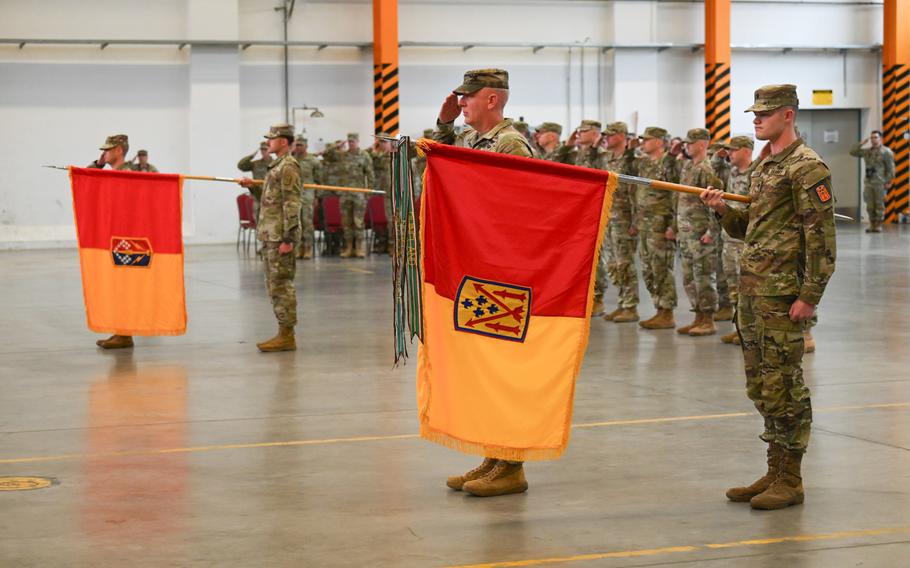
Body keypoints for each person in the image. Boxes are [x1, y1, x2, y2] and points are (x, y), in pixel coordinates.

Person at [701, 84, 836, 510]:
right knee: (760, 386)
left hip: (782, 297)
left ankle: (791, 479)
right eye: (754, 113)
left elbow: (822, 241)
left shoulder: (807, 167)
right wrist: (723, 211)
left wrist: (809, 297)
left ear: (789, 115)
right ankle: (774, 469)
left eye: (766, 113)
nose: (756, 120)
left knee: (786, 386)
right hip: (753, 292)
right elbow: (751, 230)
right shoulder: (763, 167)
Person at [433, 68, 534, 498]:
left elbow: (523, 204)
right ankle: (495, 457)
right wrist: (444, 125)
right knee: (487, 369)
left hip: (505, 269)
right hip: (482, 264)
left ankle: (512, 465)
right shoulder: (476, 140)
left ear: (491, 100)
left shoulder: (511, 143)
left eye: (467, 98)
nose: (462, 104)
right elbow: (435, 162)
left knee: (505, 369)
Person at [239, 124, 303, 352]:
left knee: (282, 285)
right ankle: (283, 331)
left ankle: (287, 335)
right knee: (274, 286)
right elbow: (271, 201)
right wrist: (252, 188)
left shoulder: (288, 167)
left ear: (283, 142)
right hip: (270, 233)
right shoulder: (275, 166)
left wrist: (288, 238)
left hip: (279, 237)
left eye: (272, 139)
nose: (269, 142)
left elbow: (292, 203)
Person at [89, 134, 138, 350]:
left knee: (124, 287)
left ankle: (125, 334)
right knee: (118, 287)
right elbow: (87, 179)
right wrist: (98, 165)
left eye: (107, 150)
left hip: (126, 238)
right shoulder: (113, 172)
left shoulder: (128, 174)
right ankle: (121, 332)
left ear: (119, 150)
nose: (104, 154)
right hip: (115, 236)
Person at [675, 128, 725, 337]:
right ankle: (698, 316)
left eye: (691, 143)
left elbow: (717, 203)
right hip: (687, 233)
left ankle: (708, 319)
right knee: (689, 278)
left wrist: (711, 232)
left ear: (702, 144)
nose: (687, 146)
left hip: (701, 234)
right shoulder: (688, 165)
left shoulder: (706, 169)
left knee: (703, 276)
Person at [632, 127, 683, 330]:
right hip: (645, 224)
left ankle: (667, 312)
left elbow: (675, 195)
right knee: (648, 269)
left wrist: (673, 225)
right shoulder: (644, 163)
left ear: (659, 142)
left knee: (662, 268)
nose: (643, 142)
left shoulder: (670, 164)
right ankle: (658, 308)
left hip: (661, 225)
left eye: (647, 139)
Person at [712, 136, 756, 344]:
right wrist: (719, 157)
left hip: (745, 239)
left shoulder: (756, 173)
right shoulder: (732, 172)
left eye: (734, 150)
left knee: (747, 287)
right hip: (729, 237)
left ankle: (751, 330)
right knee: (733, 286)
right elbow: (715, 170)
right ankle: (740, 328)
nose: (730, 154)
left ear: (747, 151)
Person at [600, 122, 640, 323]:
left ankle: (631, 306)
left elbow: (635, 193)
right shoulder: (607, 158)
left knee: (625, 263)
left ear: (622, 136)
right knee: (614, 264)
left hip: (624, 218)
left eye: (610, 135)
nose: (606, 138)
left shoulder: (630, 160)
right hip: (609, 217)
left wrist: (635, 220)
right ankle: (622, 301)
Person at [337, 133, 374, 258]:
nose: (351, 144)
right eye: (349, 141)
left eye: (353, 141)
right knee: (346, 222)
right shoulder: (343, 156)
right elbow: (328, 155)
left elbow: (370, 174)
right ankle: (348, 248)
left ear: (358, 141)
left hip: (359, 194)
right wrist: (337, 145)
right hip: (345, 194)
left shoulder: (364, 156)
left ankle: (359, 248)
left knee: (358, 222)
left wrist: (368, 191)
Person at [849, 130, 895, 233]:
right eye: (872, 137)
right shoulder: (867, 151)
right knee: (869, 204)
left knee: (879, 204)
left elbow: (890, 168)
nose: (873, 139)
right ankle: (872, 223)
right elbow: (853, 152)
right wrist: (861, 143)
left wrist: (889, 181)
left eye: (876, 137)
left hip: (880, 182)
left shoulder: (886, 152)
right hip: (869, 182)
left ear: (880, 139)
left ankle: (878, 224)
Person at [292, 136, 321, 259]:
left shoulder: (313, 161)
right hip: (294, 195)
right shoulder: (292, 160)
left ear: (306, 146)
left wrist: (317, 197)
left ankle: (308, 248)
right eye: (297, 145)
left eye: (301, 145)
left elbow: (319, 181)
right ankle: (298, 248)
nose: (298, 147)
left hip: (308, 195)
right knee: (296, 224)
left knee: (307, 223)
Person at [237, 141, 272, 233]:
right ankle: (263, 244)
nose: (264, 152)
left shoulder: (275, 164)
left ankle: (269, 244)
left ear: (270, 149)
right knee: (258, 220)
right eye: (262, 150)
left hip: (271, 196)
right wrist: (252, 155)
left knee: (271, 221)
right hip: (257, 195)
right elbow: (241, 165)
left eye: (266, 149)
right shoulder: (256, 164)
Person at [370, 136, 394, 253]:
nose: (383, 144)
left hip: (399, 193)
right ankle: (388, 245)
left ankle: (395, 245)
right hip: (385, 193)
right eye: (381, 142)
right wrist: (374, 147)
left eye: (385, 142)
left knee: (397, 220)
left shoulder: (398, 154)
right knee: (389, 219)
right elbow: (365, 155)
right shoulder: (377, 157)